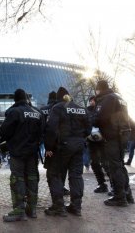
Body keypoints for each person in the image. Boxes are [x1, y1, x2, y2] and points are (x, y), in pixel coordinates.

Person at [44, 87, 91, 217]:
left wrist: (49, 147)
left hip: (62, 147)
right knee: (76, 175)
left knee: (55, 174)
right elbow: (88, 129)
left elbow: (51, 129)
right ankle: (76, 207)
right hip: (79, 146)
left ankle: (58, 206)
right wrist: (79, 138)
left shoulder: (58, 108)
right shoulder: (81, 108)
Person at [0, 89, 44, 222]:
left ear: (15, 99)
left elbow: (3, 132)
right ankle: (32, 209)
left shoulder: (14, 112)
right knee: (32, 178)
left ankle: (19, 210)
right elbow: (42, 133)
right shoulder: (37, 112)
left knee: (17, 179)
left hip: (17, 153)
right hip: (32, 153)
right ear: (26, 98)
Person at [93, 80, 134, 206]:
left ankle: (119, 197)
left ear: (99, 89)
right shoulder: (119, 97)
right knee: (120, 165)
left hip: (113, 135)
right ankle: (127, 195)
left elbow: (101, 117)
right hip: (123, 134)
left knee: (114, 167)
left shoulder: (107, 99)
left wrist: (92, 120)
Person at [86, 96, 110, 193]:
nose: (92, 102)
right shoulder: (87, 111)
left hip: (103, 140)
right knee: (94, 163)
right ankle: (102, 184)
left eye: (93, 100)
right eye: (90, 101)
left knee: (106, 163)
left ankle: (113, 185)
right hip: (91, 141)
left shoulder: (102, 110)